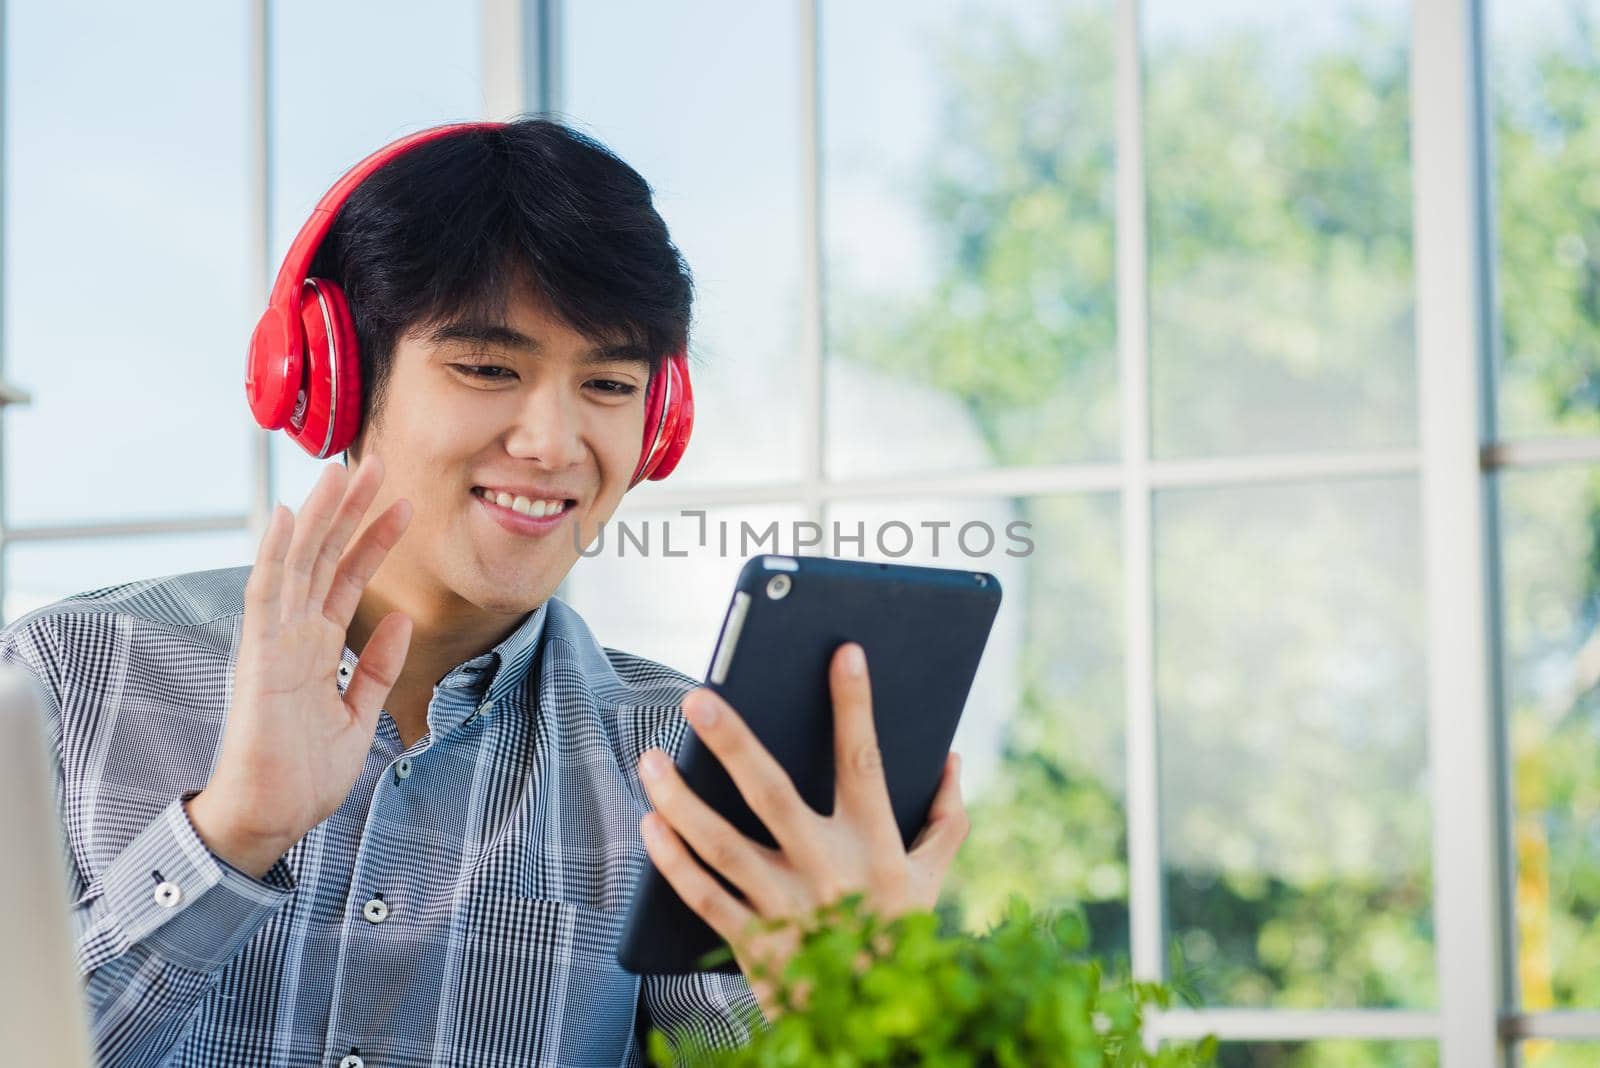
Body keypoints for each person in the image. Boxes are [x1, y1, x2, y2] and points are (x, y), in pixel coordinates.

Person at [0, 118, 970, 1067]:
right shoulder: (64, 678)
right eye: (486, 368)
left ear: (659, 421)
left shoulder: (681, 761)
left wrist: (849, 1009)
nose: (552, 444)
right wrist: (229, 836)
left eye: (607, 387)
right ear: (335, 374)